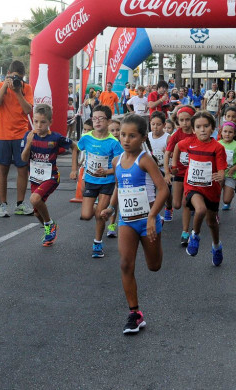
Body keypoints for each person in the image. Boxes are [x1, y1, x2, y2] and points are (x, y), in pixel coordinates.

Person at [100, 114, 169, 335]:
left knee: (154, 266)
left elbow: (164, 189)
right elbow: (119, 187)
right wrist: (111, 208)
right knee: (125, 264)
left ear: (142, 138)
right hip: (127, 220)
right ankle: (135, 314)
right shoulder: (117, 161)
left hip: (147, 220)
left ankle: (158, 238)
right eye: (122, 135)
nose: (126, 140)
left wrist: (152, 217)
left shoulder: (145, 160)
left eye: (132, 136)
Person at [171, 110, 226, 264]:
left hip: (211, 189)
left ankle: (216, 246)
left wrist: (221, 175)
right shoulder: (189, 142)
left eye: (206, 126)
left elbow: (221, 168)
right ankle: (194, 236)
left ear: (213, 128)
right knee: (199, 209)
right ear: (193, 130)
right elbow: (177, 147)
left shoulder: (217, 147)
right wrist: (174, 165)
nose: (202, 129)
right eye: (199, 127)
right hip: (192, 186)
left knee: (211, 222)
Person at [21, 104, 78, 246]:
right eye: (36, 121)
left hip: (51, 177)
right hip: (35, 178)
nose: (39, 125)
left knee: (34, 199)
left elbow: (74, 147)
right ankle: (49, 229)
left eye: (43, 122)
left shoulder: (55, 138)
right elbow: (23, 159)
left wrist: (73, 169)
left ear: (50, 123)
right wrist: (28, 144)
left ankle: (49, 224)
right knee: (36, 212)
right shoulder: (29, 136)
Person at [78, 105, 124, 258]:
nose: (97, 121)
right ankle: (97, 206)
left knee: (99, 215)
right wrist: (75, 168)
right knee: (85, 215)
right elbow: (76, 149)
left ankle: (97, 243)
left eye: (101, 118)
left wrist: (108, 171)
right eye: (94, 118)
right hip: (90, 180)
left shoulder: (114, 143)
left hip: (107, 181)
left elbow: (120, 165)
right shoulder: (86, 137)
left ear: (109, 121)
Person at [0, 60, 34, 218]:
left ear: (23, 78)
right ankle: (3, 205)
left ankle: (20, 204)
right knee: (3, 170)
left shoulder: (26, 88)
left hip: (20, 134)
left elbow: (28, 110)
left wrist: (17, 91)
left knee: (22, 169)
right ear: (8, 74)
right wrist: (4, 86)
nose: (17, 80)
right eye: (13, 77)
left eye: (19, 78)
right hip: (2, 134)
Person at [164, 105, 196, 246]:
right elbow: (167, 154)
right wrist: (167, 172)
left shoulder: (197, 133)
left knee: (185, 203)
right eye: (182, 120)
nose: (185, 123)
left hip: (192, 174)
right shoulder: (176, 135)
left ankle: (185, 232)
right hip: (178, 172)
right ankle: (172, 207)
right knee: (177, 204)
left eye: (188, 120)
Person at [148, 111, 173, 221]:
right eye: (153, 124)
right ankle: (153, 213)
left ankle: (169, 207)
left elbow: (174, 153)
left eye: (158, 124)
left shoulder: (168, 138)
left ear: (163, 125)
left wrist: (168, 153)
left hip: (165, 168)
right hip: (152, 168)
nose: (155, 127)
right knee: (150, 191)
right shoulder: (147, 136)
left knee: (166, 191)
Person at [219, 121, 236, 211]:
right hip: (219, 174)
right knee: (215, 195)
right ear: (221, 132)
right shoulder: (218, 144)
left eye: (230, 132)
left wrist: (234, 168)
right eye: (225, 131)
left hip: (231, 175)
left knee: (226, 199)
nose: (227, 134)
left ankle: (231, 191)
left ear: (234, 134)